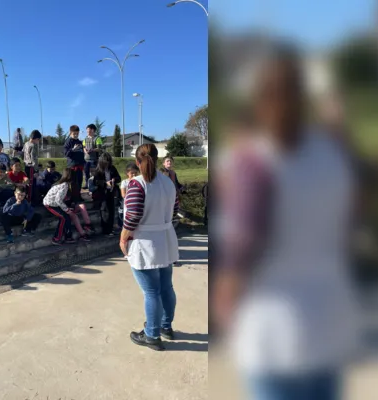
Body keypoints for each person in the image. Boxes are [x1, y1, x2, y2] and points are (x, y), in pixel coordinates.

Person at [213, 46, 360, 400]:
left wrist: (225, 297)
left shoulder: (251, 163)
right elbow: (355, 216)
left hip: (272, 333)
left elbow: (242, 244)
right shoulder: (333, 157)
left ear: (261, 102)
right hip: (329, 324)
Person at [121, 144, 180, 351]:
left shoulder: (137, 184)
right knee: (166, 287)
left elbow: (133, 216)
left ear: (138, 161)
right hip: (165, 238)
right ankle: (165, 326)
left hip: (145, 241)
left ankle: (152, 334)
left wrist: (122, 238)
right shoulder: (168, 182)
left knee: (151, 292)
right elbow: (175, 208)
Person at [43, 168, 91, 245]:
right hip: (50, 204)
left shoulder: (63, 184)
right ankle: (56, 238)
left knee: (67, 216)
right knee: (63, 217)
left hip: (56, 204)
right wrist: (67, 210)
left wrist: (67, 209)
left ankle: (68, 236)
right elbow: (58, 200)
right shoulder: (64, 185)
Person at [88, 152, 121, 236]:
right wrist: (106, 183)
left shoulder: (112, 168)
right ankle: (106, 230)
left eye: (109, 162)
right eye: (106, 162)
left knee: (112, 210)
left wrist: (114, 179)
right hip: (102, 193)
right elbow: (96, 182)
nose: (108, 164)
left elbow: (119, 178)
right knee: (104, 210)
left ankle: (110, 229)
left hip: (111, 192)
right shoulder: (98, 170)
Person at [63, 125, 86, 198]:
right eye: (74, 134)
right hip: (73, 166)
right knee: (73, 182)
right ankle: (73, 197)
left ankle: (78, 195)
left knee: (79, 181)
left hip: (80, 165)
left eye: (77, 133)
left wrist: (83, 162)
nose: (76, 135)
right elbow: (66, 153)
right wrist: (73, 149)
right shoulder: (68, 141)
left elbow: (81, 153)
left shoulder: (79, 142)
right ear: (70, 133)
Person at [118, 163, 140, 230]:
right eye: (132, 173)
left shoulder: (139, 182)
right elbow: (123, 194)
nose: (134, 175)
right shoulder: (124, 182)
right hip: (127, 203)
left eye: (135, 173)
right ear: (127, 173)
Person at [23, 130, 42, 204]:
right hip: (31, 167)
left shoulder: (26, 144)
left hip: (26, 165)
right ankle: (30, 201)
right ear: (35, 138)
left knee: (29, 183)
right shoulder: (33, 145)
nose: (38, 141)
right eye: (38, 139)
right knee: (31, 184)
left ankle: (30, 199)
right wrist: (36, 170)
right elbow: (33, 158)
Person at [83, 123, 103, 189]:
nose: (87, 132)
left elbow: (99, 148)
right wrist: (85, 150)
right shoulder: (85, 139)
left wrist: (92, 150)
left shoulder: (97, 138)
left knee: (93, 173)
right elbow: (83, 147)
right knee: (86, 173)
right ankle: (86, 184)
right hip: (86, 159)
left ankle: (93, 185)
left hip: (94, 159)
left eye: (89, 130)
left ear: (93, 130)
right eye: (87, 130)